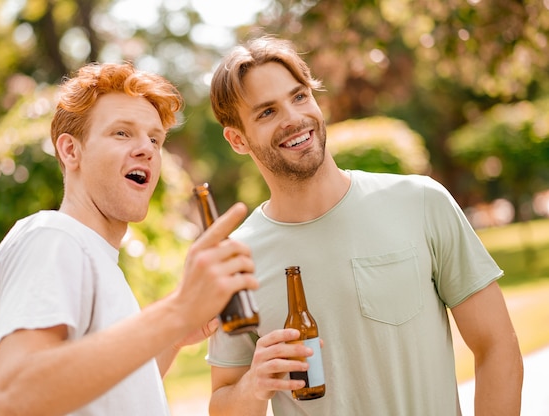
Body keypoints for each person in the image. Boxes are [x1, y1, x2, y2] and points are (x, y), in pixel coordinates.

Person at [206, 36, 523, 415]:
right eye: (266, 112)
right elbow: (222, 402)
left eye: (299, 96)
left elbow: (496, 345)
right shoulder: (235, 261)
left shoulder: (420, 202)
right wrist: (252, 387)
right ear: (237, 139)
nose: (293, 118)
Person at [0, 62, 258, 416]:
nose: (147, 149)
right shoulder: (53, 238)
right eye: (122, 133)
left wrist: (174, 334)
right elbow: (17, 394)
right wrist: (178, 310)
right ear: (70, 151)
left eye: (154, 138)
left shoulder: (94, 256)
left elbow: (110, 396)